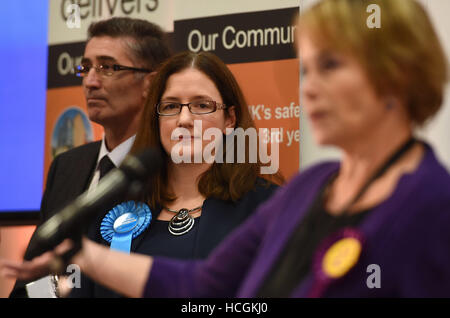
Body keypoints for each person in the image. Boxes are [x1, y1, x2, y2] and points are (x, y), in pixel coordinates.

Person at [4, 0, 449, 297]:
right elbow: (205, 286)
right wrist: (75, 255)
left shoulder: (432, 202)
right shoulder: (312, 186)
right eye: (307, 70)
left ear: (399, 76)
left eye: (330, 66)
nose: (310, 89)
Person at [9, 17, 171, 298]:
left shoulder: (169, 167)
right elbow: (34, 280)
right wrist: (59, 292)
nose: (91, 82)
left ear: (150, 82)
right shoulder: (67, 166)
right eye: (86, 68)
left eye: (108, 68)